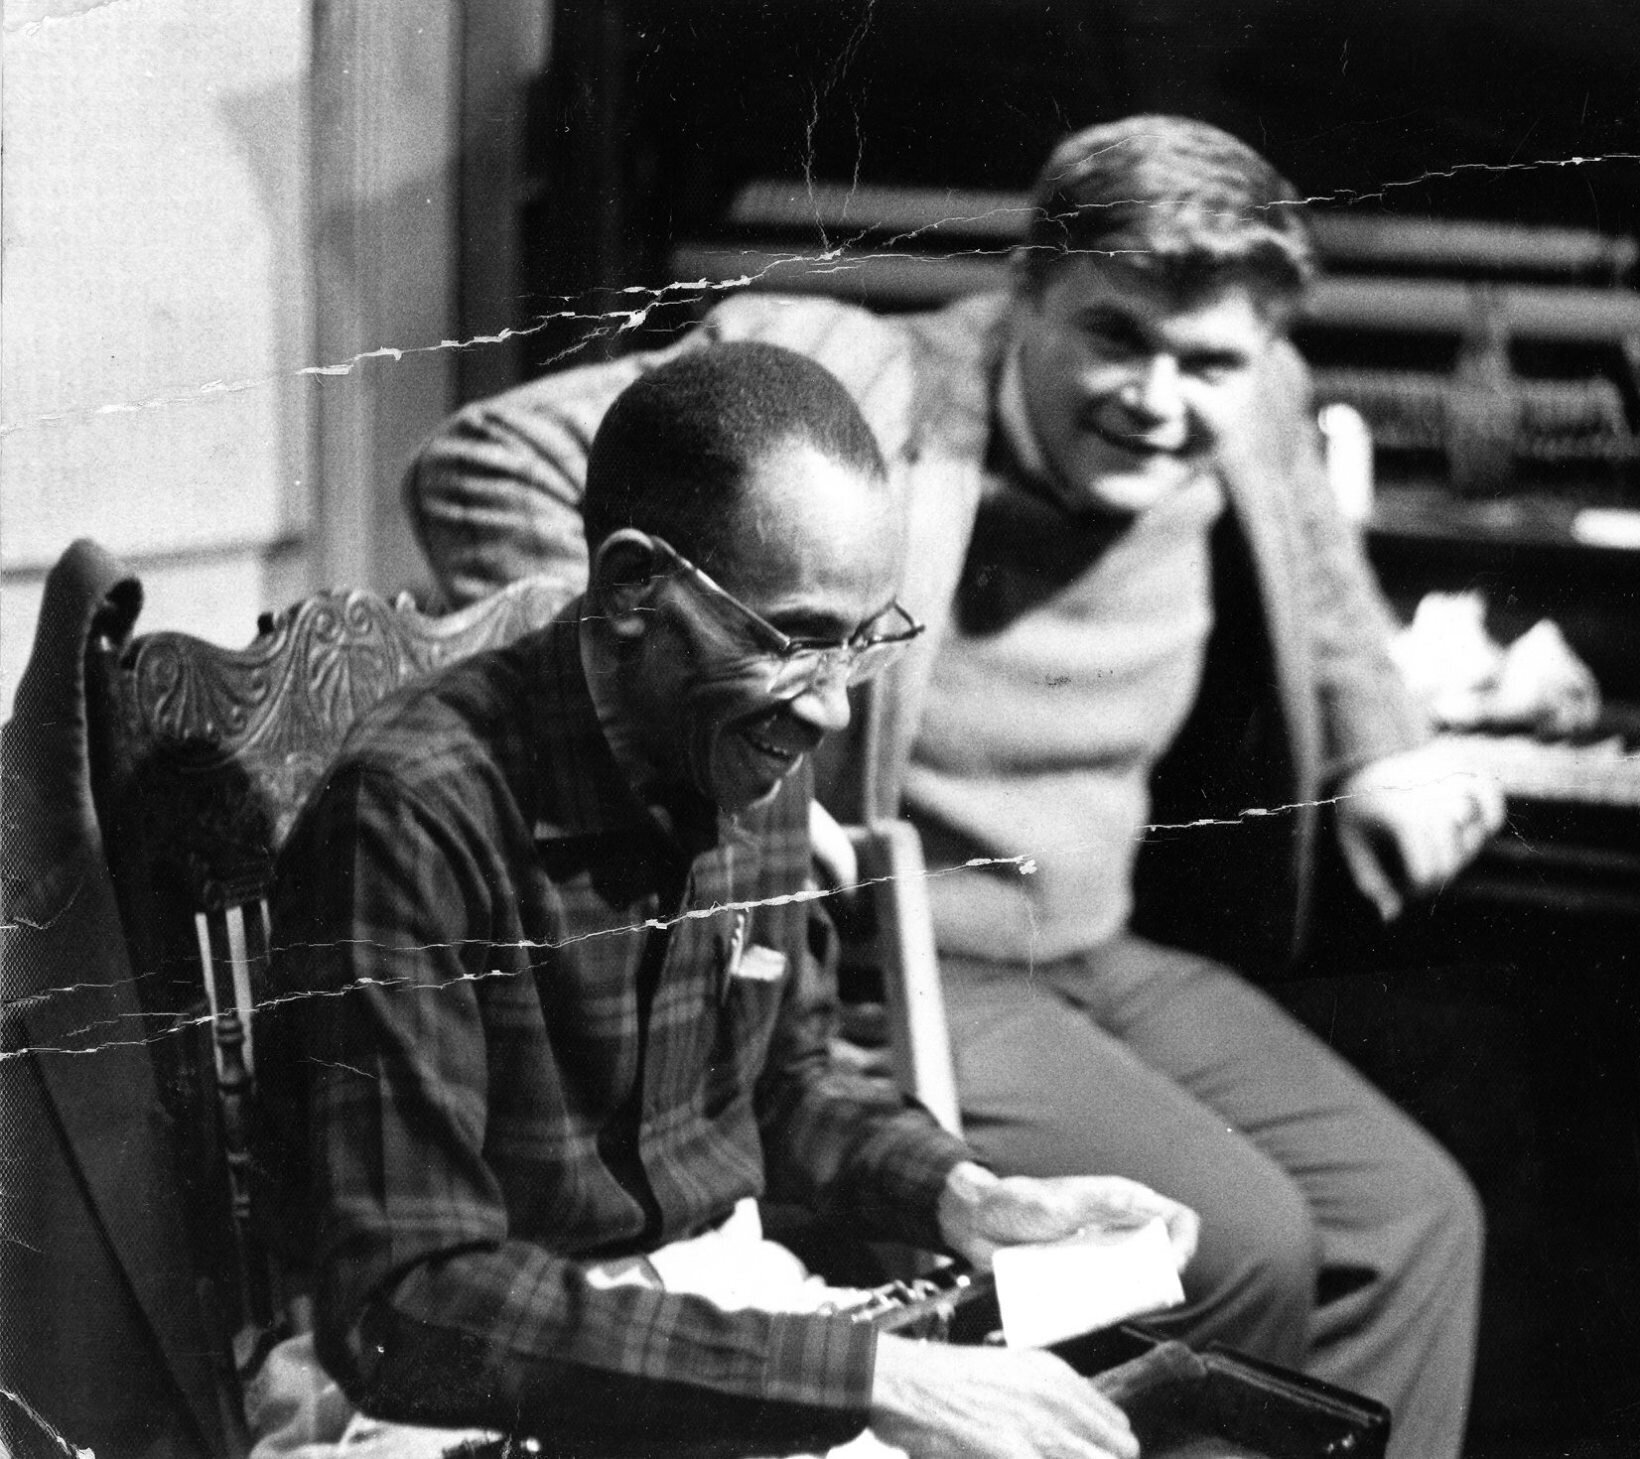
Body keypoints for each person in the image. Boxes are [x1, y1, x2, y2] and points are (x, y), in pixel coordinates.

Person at [409, 115, 1504, 1457]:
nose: (1162, 398)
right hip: (917, 951)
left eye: (1207, 360)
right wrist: (697, 722)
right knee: (1243, 1238)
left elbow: (1322, 566)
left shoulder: (1256, 392)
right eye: (1114, 337)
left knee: (1414, 1210)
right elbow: (483, 461)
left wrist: (1383, 740)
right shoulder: (864, 384)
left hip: (1099, 941)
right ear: (1028, 294)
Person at [269, 342, 1197, 1459]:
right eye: (797, 641)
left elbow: (786, 1082)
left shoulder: (742, 746)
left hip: (711, 1314)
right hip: (471, 1395)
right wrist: (866, 1379)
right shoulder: (411, 813)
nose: (834, 714)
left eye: (861, 643)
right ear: (629, 588)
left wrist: (963, 1197)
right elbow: (411, 1311)